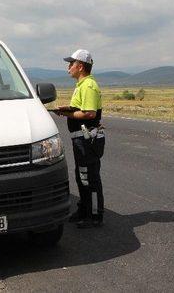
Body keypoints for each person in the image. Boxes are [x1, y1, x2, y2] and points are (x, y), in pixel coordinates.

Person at [55, 49, 105, 228]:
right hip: (80, 139)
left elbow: (90, 113)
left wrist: (70, 114)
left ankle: (93, 215)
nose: (68, 67)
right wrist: (67, 109)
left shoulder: (89, 85)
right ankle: (84, 210)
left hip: (87, 139)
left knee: (89, 176)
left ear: (80, 66)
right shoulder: (82, 85)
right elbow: (80, 108)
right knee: (81, 175)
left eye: (71, 64)